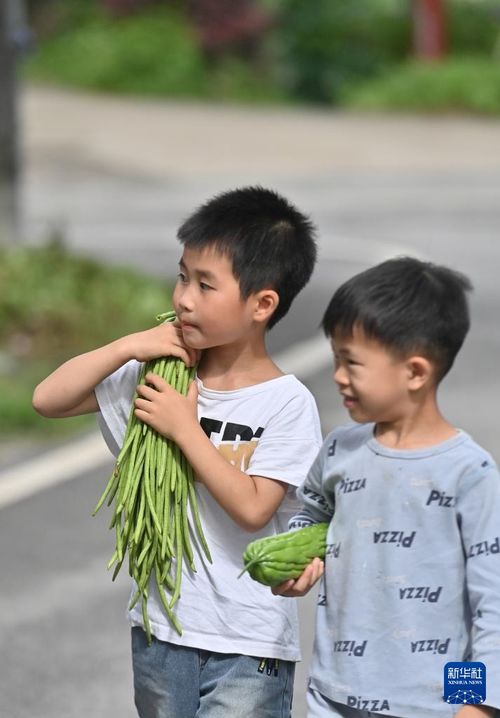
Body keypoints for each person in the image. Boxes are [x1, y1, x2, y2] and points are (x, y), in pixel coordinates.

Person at [32, 186, 323, 718]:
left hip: (247, 643)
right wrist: (125, 347)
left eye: (206, 284)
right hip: (160, 630)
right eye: (183, 275)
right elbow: (47, 400)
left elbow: (256, 507)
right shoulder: (161, 375)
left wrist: (187, 430)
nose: (184, 297)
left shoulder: (287, 403)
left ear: (262, 304)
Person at [273, 257, 500, 718]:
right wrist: (295, 557)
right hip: (333, 695)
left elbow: (489, 605)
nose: (337, 375)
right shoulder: (340, 449)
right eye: (335, 357)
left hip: (431, 707)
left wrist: (474, 704)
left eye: (351, 362)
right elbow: (311, 514)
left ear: (415, 372)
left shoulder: (469, 474)